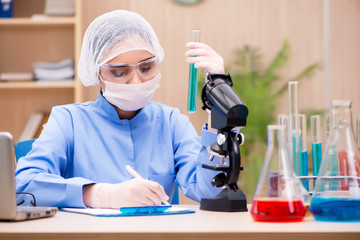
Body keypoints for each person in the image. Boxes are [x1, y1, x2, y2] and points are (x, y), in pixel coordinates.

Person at [15, 10, 225, 209]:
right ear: (97, 73)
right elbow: (23, 185)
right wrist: (99, 194)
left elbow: (210, 192)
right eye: (119, 72)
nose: (136, 82)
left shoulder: (171, 122)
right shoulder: (69, 120)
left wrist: (219, 100)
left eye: (145, 68)